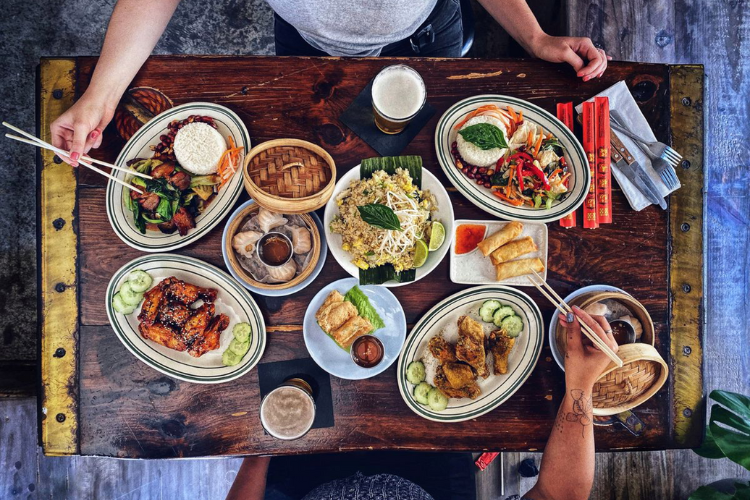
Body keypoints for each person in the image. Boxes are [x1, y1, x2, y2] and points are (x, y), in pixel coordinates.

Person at [50, 0, 610, 165]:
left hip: (425, 39)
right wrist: (100, 95)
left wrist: (534, 38)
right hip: (306, 47)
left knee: (445, 155)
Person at [225, 306, 620, 500]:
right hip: (432, 481)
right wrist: (580, 388)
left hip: (307, 481)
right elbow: (558, 496)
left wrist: (264, 447)